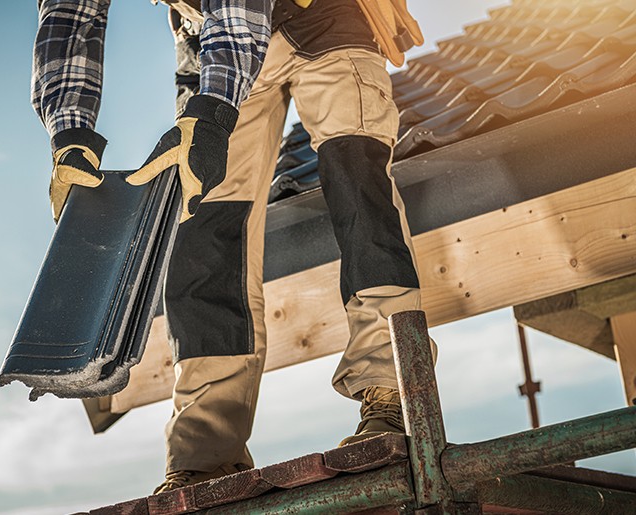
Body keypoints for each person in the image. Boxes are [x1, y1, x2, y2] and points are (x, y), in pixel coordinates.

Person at [135, 0, 434, 494]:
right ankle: (205, 450)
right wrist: (69, 133)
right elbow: (71, 19)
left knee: (357, 178)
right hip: (216, 46)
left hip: (329, 16)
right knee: (207, 227)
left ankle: (392, 391)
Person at [31, 0, 272, 222]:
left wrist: (214, 115)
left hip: (295, 35)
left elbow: (240, 12)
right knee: (205, 207)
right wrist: (70, 135)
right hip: (211, 46)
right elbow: (71, 12)